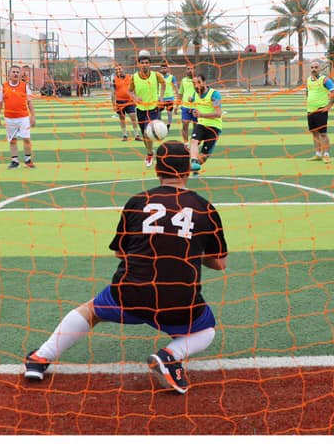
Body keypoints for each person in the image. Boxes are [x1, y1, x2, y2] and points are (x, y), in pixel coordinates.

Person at [23, 141, 227, 394]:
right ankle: (171, 355)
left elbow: (120, 252)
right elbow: (220, 264)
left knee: (91, 311)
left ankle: (40, 357)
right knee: (206, 331)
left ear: (157, 170)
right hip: (180, 300)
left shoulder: (138, 201)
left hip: (131, 293)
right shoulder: (205, 207)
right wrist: (192, 250)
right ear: (188, 170)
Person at [127, 51, 167, 168]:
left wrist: (161, 97)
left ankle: (149, 155)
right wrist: (135, 98)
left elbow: (163, 84)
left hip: (153, 109)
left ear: (150, 64)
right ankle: (149, 152)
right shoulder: (134, 77)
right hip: (140, 110)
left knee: (147, 132)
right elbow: (130, 91)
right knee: (145, 135)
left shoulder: (156, 75)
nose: (144, 65)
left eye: (146, 63)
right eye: (142, 63)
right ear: (139, 64)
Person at [0, 64, 36, 169]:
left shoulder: (25, 86)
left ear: (20, 74)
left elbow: (30, 102)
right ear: (9, 74)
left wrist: (33, 116)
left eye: (17, 72)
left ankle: (28, 160)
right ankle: (15, 161)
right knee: (12, 140)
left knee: (26, 139)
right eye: (13, 72)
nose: (15, 74)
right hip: (9, 118)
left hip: (23, 118)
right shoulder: (3, 87)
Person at [187, 74, 222, 175]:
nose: (196, 85)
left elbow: (218, 113)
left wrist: (201, 114)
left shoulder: (215, 95)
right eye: (194, 83)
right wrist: (192, 106)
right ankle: (193, 162)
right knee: (193, 141)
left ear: (204, 82)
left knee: (204, 157)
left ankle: (196, 165)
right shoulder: (195, 94)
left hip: (214, 127)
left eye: (198, 82)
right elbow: (195, 102)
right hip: (201, 124)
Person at [304, 62, 334, 163]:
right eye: (312, 67)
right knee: (314, 133)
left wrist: (329, 106)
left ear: (320, 69)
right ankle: (318, 154)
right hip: (310, 110)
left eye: (316, 67)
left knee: (323, 134)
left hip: (321, 110)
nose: (314, 69)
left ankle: (326, 154)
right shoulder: (308, 80)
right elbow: (307, 93)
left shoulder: (325, 80)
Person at [111, 64, 138, 141]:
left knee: (133, 116)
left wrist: (135, 98)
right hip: (119, 102)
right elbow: (113, 93)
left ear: (123, 69)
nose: (118, 71)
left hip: (130, 101)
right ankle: (125, 135)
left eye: (119, 69)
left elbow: (134, 88)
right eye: (116, 70)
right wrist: (113, 104)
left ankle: (137, 135)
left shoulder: (130, 77)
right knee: (122, 118)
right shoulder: (114, 80)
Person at [177, 65, 197, 143]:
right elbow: (180, 93)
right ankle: (186, 143)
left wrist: (194, 98)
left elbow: (202, 92)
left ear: (194, 70)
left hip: (196, 107)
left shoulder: (198, 80)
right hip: (185, 106)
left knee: (196, 126)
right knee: (185, 124)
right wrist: (176, 105)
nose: (190, 70)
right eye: (188, 69)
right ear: (186, 70)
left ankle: (194, 142)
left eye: (192, 69)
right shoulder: (183, 80)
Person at [159, 62, 178, 127]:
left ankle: (168, 125)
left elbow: (175, 87)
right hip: (160, 98)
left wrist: (178, 96)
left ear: (167, 69)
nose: (163, 69)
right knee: (158, 113)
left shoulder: (172, 77)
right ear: (160, 69)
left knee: (169, 113)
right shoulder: (158, 77)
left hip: (170, 98)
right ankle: (160, 125)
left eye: (165, 68)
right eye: (162, 68)